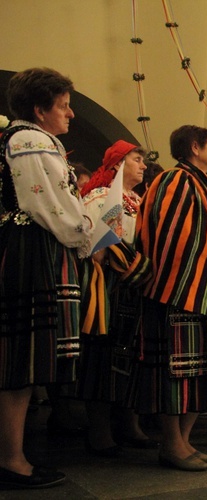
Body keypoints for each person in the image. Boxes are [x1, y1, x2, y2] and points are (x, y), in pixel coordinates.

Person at [132, 125, 207, 471]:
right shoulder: (175, 180)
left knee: (205, 369)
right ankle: (171, 443)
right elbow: (170, 229)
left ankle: (184, 441)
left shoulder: (202, 187)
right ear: (194, 147)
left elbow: (201, 227)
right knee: (179, 370)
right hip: (181, 291)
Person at [0, 67, 94, 488]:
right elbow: (54, 206)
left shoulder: (18, 138)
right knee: (19, 360)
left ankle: (14, 454)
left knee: (19, 361)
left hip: (22, 246)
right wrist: (87, 230)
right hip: (28, 250)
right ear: (40, 110)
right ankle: (11, 460)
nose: (71, 114)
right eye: (64, 105)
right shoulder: (31, 140)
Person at [79, 140, 155, 456]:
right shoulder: (99, 197)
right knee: (103, 354)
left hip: (134, 288)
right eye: (137, 159)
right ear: (119, 164)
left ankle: (129, 420)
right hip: (108, 287)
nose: (143, 165)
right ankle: (99, 428)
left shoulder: (140, 201)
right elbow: (90, 240)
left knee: (131, 353)